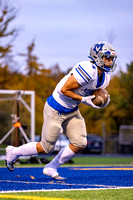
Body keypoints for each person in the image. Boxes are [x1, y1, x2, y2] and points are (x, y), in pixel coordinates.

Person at [6, 41, 117, 180]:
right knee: (46, 148)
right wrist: (83, 100)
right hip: (56, 107)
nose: (110, 62)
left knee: (79, 143)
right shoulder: (88, 69)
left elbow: (93, 94)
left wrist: (101, 101)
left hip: (72, 109)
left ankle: (51, 167)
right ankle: (13, 152)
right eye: (108, 58)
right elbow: (63, 90)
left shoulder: (105, 77)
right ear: (98, 57)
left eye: (112, 59)